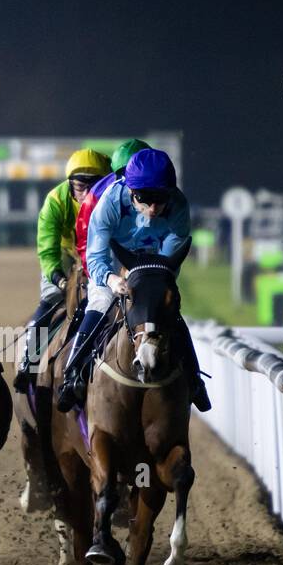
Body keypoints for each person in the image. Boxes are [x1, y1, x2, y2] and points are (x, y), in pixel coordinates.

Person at [54, 147, 211, 413]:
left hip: (154, 268)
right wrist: (112, 279)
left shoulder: (179, 207)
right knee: (100, 304)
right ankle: (72, 373)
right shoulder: (109, 203)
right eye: (145, 199)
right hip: (113, 265)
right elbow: (95, 257)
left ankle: (194, 380)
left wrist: (144, 280)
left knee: (168, 312)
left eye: (160, 200)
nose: (152, 208)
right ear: (129, 189)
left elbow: (169, 259)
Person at [11, 148, 110, 393]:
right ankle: (28, 359)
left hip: (100, 254)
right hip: (67, 255)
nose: (87, 193)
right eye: (80, 187)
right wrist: (57, 277)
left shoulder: (111, 199)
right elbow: (47, 248)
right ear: (69, 184)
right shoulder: (55, 201)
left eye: (94, 185)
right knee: (51, 298)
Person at [73, 138, 150, 278]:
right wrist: (97, 275)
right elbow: (86, 243)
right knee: (102, 297)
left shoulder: (164, 194)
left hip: (144, 248)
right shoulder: (96, 197)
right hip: (107, 251)